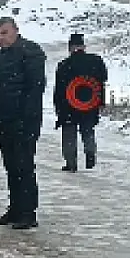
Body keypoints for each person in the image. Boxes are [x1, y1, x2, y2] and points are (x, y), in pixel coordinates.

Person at [0, 17, 46, 230]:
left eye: (4, 32)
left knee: (24, 165)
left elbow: (35, 89)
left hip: (25, 121)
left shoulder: (31, 52)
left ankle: (28, 213)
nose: (0, 38)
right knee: (11, 166)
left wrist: (26, 119)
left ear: (16, 31)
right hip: (5, 121)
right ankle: (15, 208)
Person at [54, 33, 107, 171]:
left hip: (68, 105)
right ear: (83, 46)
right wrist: (101, 102)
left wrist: (58, 108)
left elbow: (59, 89)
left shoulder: (64, 65)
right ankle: (90, 155)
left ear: (70, 48)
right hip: (90, 103)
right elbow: (102, 81)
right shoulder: (96, 61)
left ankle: (71, 164)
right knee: (88, 130)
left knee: (69, 134)